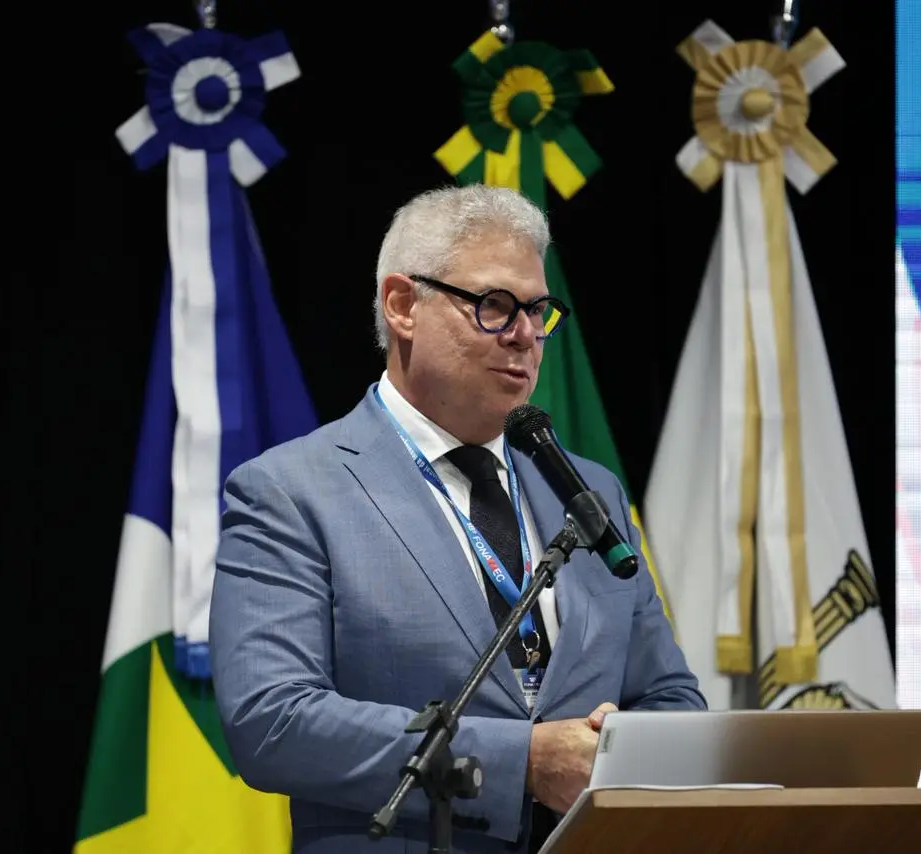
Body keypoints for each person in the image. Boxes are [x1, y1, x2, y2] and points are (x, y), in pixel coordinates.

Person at [209, 184, 706, 854]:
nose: (527, 335)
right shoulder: (291, 491)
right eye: (495, 306)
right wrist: (522, 760)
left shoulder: (590, 491)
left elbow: (669, 695)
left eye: (538, 310)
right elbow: (272, 725)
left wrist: (624, 749)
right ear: (402, 305)